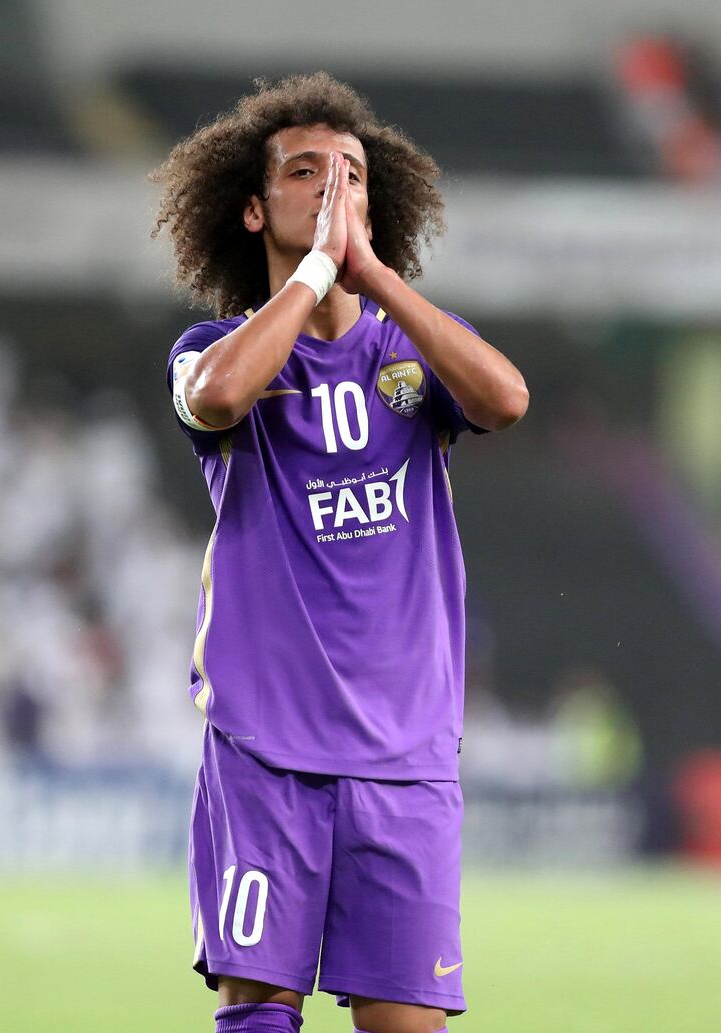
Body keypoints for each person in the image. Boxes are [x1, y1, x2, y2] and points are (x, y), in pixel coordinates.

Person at [152, 72, 528, 1033]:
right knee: (259, 1015)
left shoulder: (415, 348)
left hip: (404, 754)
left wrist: (372, 276)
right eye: (306, 171)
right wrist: (315, 276)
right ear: (250, 208)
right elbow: (220, 399)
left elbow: (505, 400)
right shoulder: (210, 345)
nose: (333, 188)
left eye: (354, 174)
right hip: (265, 749)